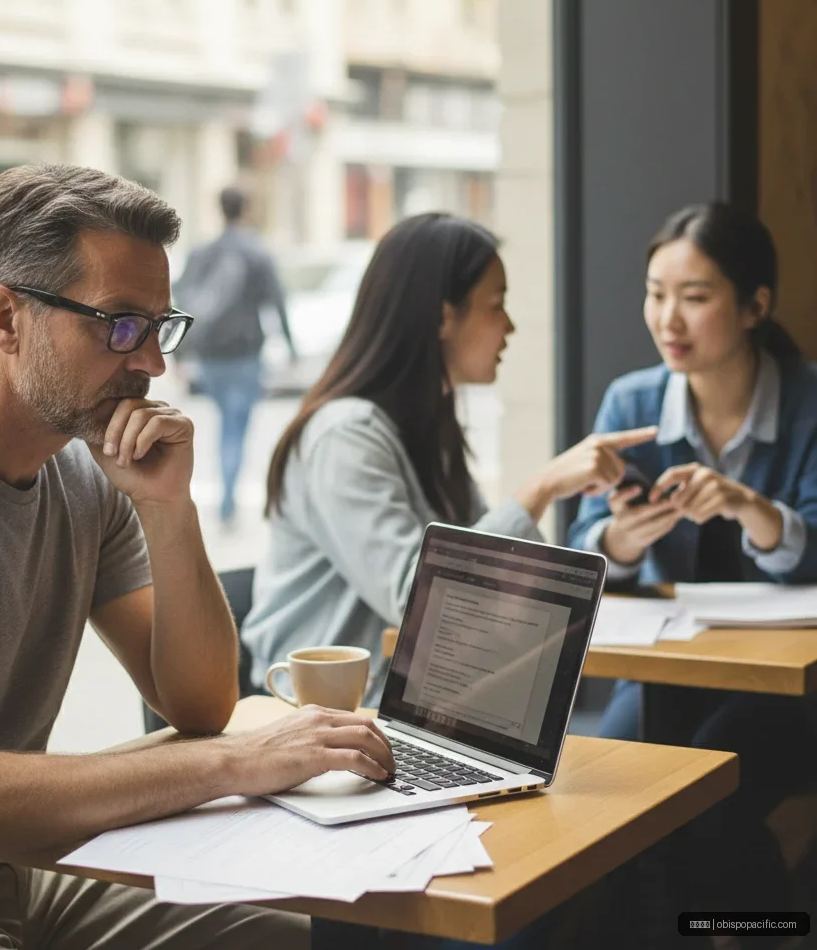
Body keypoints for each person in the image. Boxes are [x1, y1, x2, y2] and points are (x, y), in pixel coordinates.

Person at [0, 164, 398, 950]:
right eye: (118, 324)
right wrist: (237, 765)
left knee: (282, 932)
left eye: (159, 326)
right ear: (5, 317)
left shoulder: (83, 471)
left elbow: (199, 705)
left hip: (16, 868)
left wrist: (168, 510)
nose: (152, 363)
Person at [240, 212, 655, 708]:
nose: (511, 326)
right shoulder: (344, 436)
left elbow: (493, 576)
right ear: (442, 317)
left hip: (421, 704)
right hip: (325, 717)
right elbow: (418, 601)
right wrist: (542, 487)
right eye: (496, 306)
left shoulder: (426, 426)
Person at [567, 202, 817, 926]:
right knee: (601, 797)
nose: (667, 319)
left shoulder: (807, 403)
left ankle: (748, 935)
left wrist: (751, 510)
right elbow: (587, 539)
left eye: (696, 297)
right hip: (665, 670)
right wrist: (623, 540)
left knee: (705, 788)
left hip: (788, 685)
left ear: (754, 306)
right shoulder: (633, 401)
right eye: (656, 293)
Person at [175, 186, 296, 523]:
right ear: (246, 210)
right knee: (234, 426)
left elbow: (182, 300)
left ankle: (224, 499)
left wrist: (180, 355)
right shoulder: (257, 252)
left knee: (223, 422)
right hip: (245, 353)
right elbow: (277, 302)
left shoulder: (202, 252)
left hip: (210, 354)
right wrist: (290, 346)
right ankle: (227, 501)